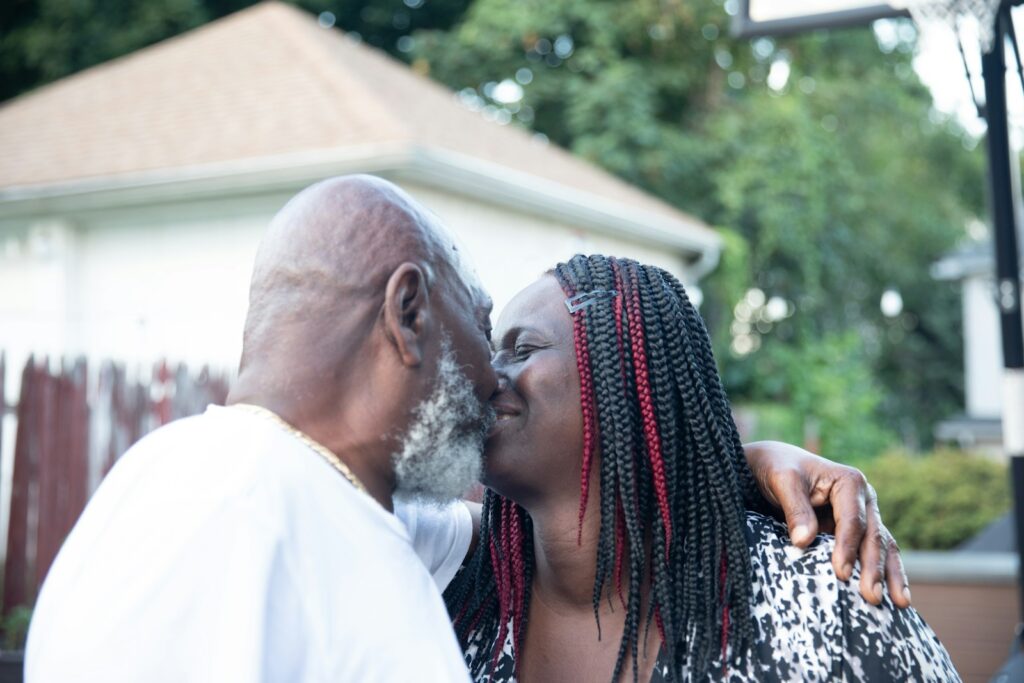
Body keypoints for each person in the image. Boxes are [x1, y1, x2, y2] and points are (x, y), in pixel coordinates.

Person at [26, 176, 908, 682]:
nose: (490, 376)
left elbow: (622, 505)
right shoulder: (219, 513)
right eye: (479, 330)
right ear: (408, 313)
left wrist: (736, 461)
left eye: (516, 344)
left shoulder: (381, 528)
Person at [443, 255, 958, 682]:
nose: (485, 375)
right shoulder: (453, 600)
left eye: (523, 349)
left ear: (627, 375)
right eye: (490, 352)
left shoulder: (823, 600)